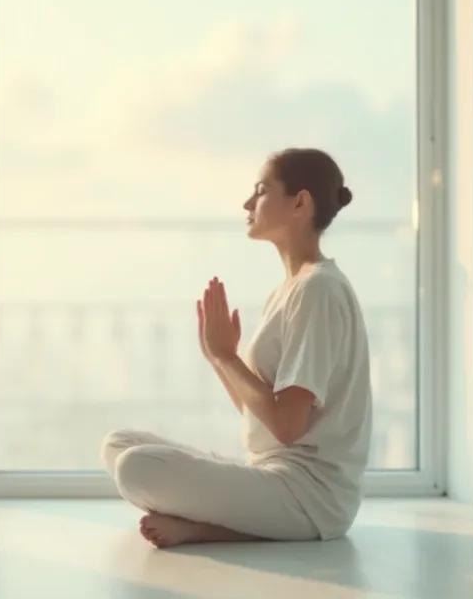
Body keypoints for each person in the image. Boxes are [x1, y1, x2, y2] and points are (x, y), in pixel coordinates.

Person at [102, 148, 373, 547]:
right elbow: (260, 414)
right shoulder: (289, 289)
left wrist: (228, 356)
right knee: (119, 444)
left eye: (261, 191)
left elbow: (286, 426)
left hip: (311, 497)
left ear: (300, 202)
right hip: (271, 474)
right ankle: (222, 520)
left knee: (137, 467)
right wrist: (217, 357)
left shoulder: (318, 289)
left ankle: (208, 529)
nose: (248, 203)